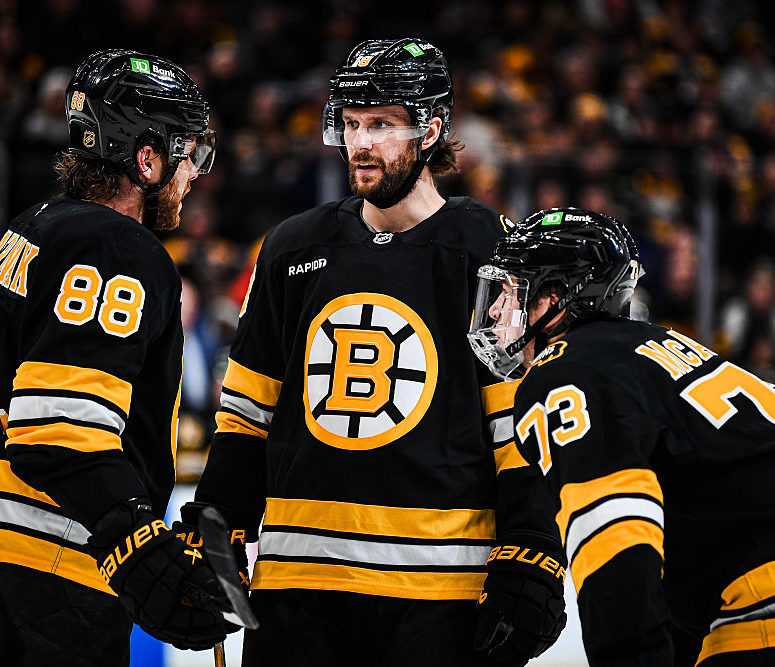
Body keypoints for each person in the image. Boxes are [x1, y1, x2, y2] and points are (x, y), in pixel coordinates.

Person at [184, 38, 566, 666]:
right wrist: (216, 528)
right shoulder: (290, 247)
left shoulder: (488, 250)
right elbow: (247, 416)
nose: (361, 143)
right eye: (353, 124)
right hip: (296, 588)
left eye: (383, 125)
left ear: (431, 129)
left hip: (438, 594)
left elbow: (514, 425)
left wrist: (531, 546)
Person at [0, 49, 233, 666]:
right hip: (45, 565)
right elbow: (59, 428)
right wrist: (135, 544)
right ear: (147, 158)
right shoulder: (116, 245)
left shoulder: (39, 223)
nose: (194, 174)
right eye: (189, 153)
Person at [467, 207, 775, 666]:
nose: (497, 309)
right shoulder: (655, 344)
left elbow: (614, 534)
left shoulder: (562, 372)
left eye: (511, 290)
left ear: (558, 297)